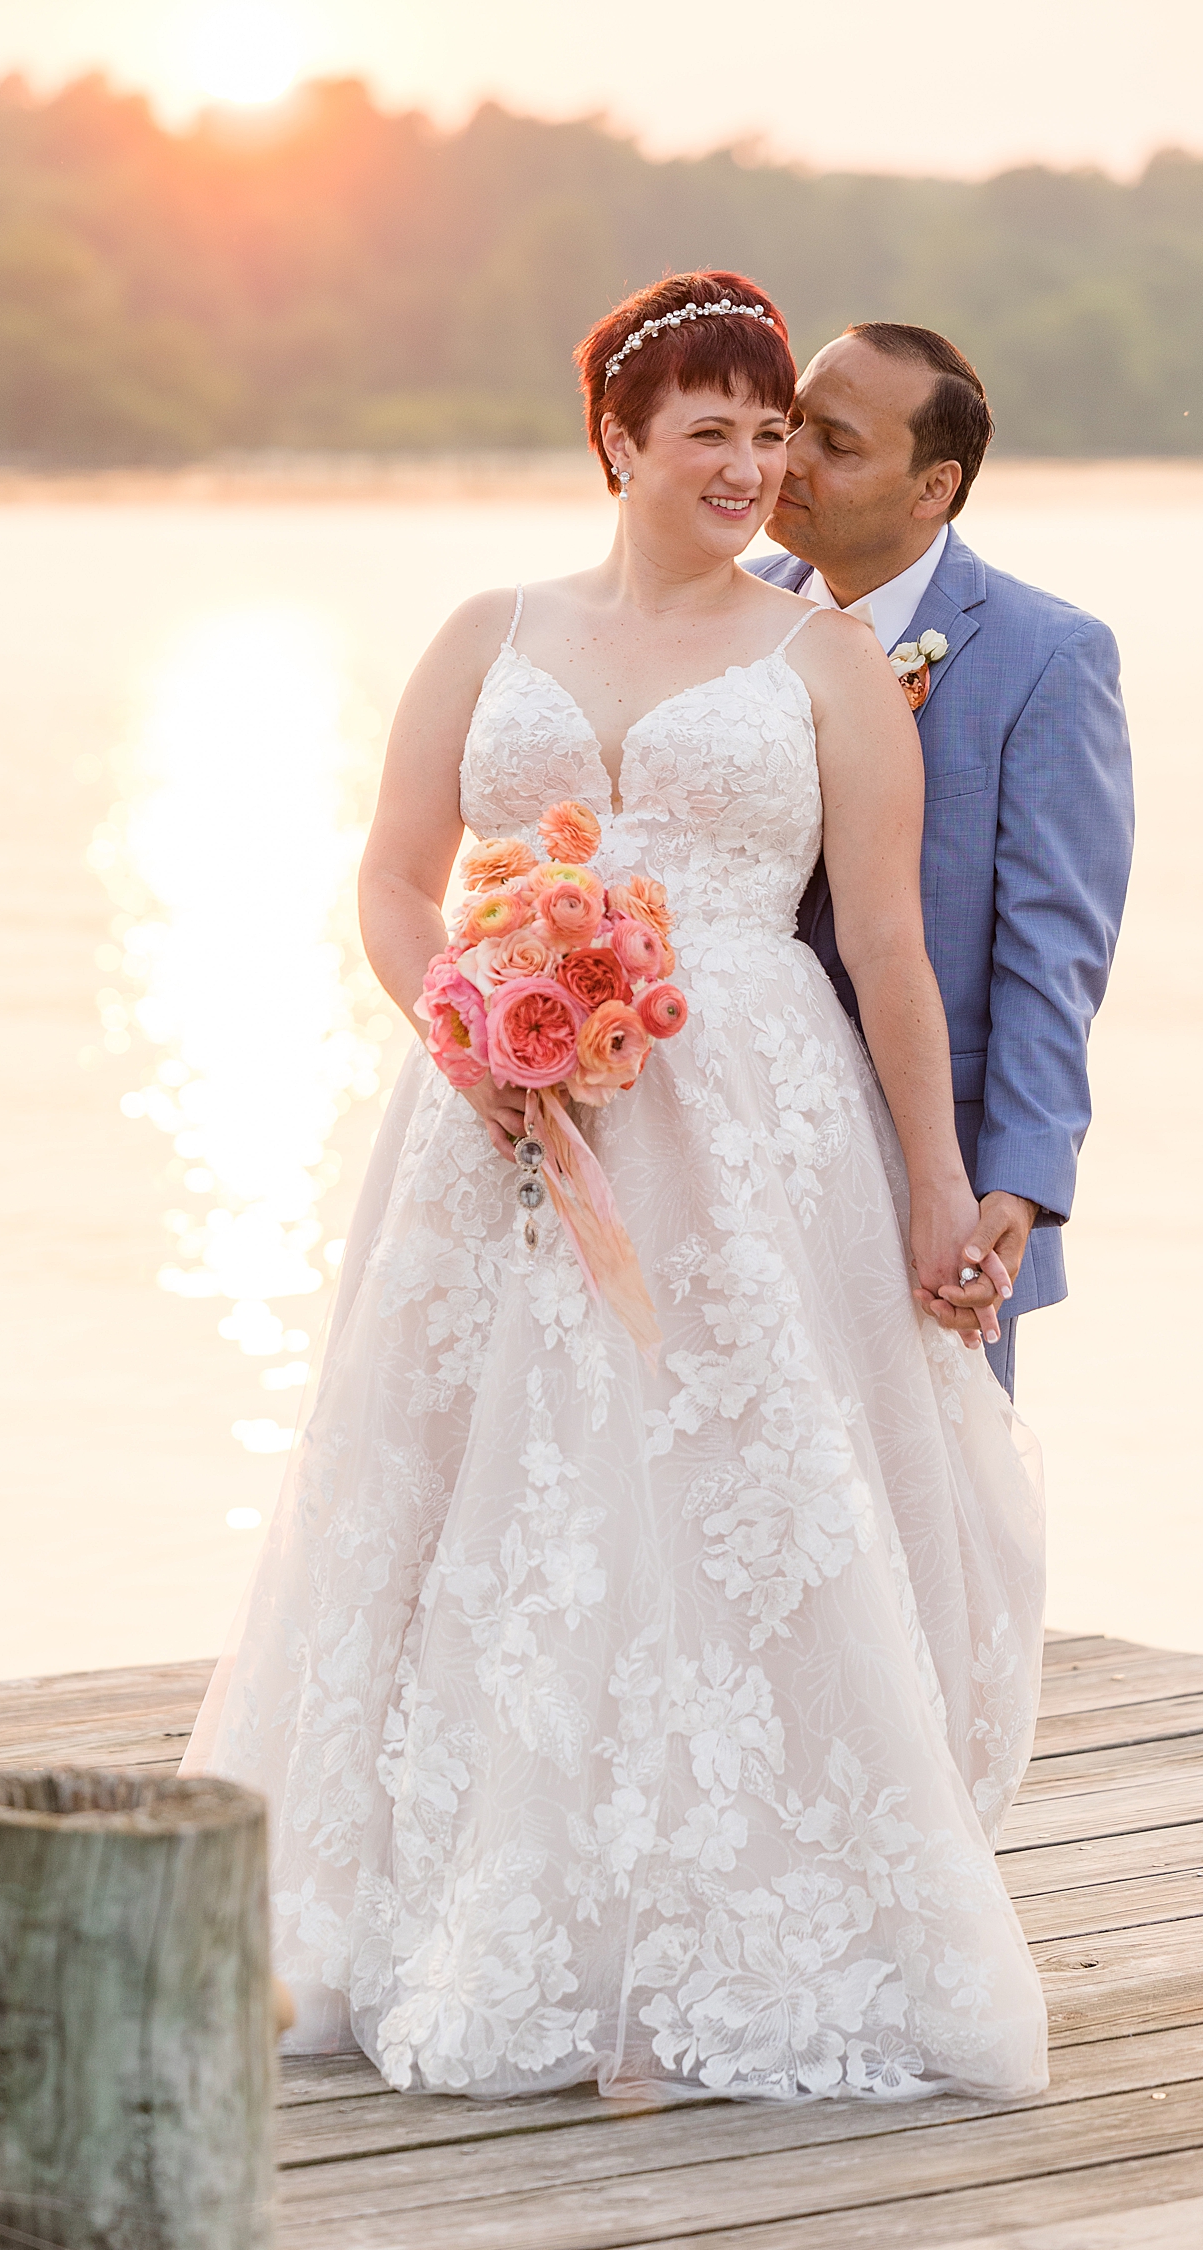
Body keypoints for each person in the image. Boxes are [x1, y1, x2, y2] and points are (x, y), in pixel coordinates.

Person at [180, 271, 1048, 2106]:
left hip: (750, 1127)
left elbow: (890, 949)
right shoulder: (486, 630)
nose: (749, 469)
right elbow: (402, 879)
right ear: (619, 443)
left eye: (770, 436)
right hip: (495, 1125)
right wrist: (477, 1034)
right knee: (473, 1490)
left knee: (725, 1489)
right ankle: (441, 1896)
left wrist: (937, 1187)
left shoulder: (822, 662)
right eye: (711, 434)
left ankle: (725, 1911)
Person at [750, 326, 1134, 1398]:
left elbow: (1055, 951)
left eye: (835, 444)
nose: (786, 463)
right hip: (729, 1153)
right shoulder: (721, 610)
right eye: (791, 426)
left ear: (934, 488)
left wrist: (1018, 1180)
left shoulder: (1047, 656)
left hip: (939, 1180)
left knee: (928, 1539)